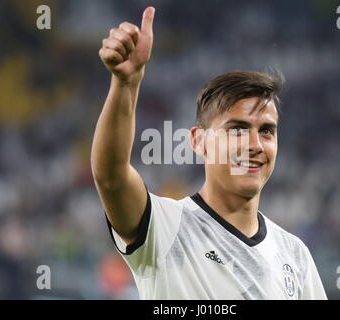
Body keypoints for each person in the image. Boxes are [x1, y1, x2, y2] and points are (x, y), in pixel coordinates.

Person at [92, 6, 327, 299]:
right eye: (237, 129)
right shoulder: (165, 228)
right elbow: (111, 177)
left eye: (266, 130)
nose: (254, 145)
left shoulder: (296, 256)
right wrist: (125, 84)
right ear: (198, 141)